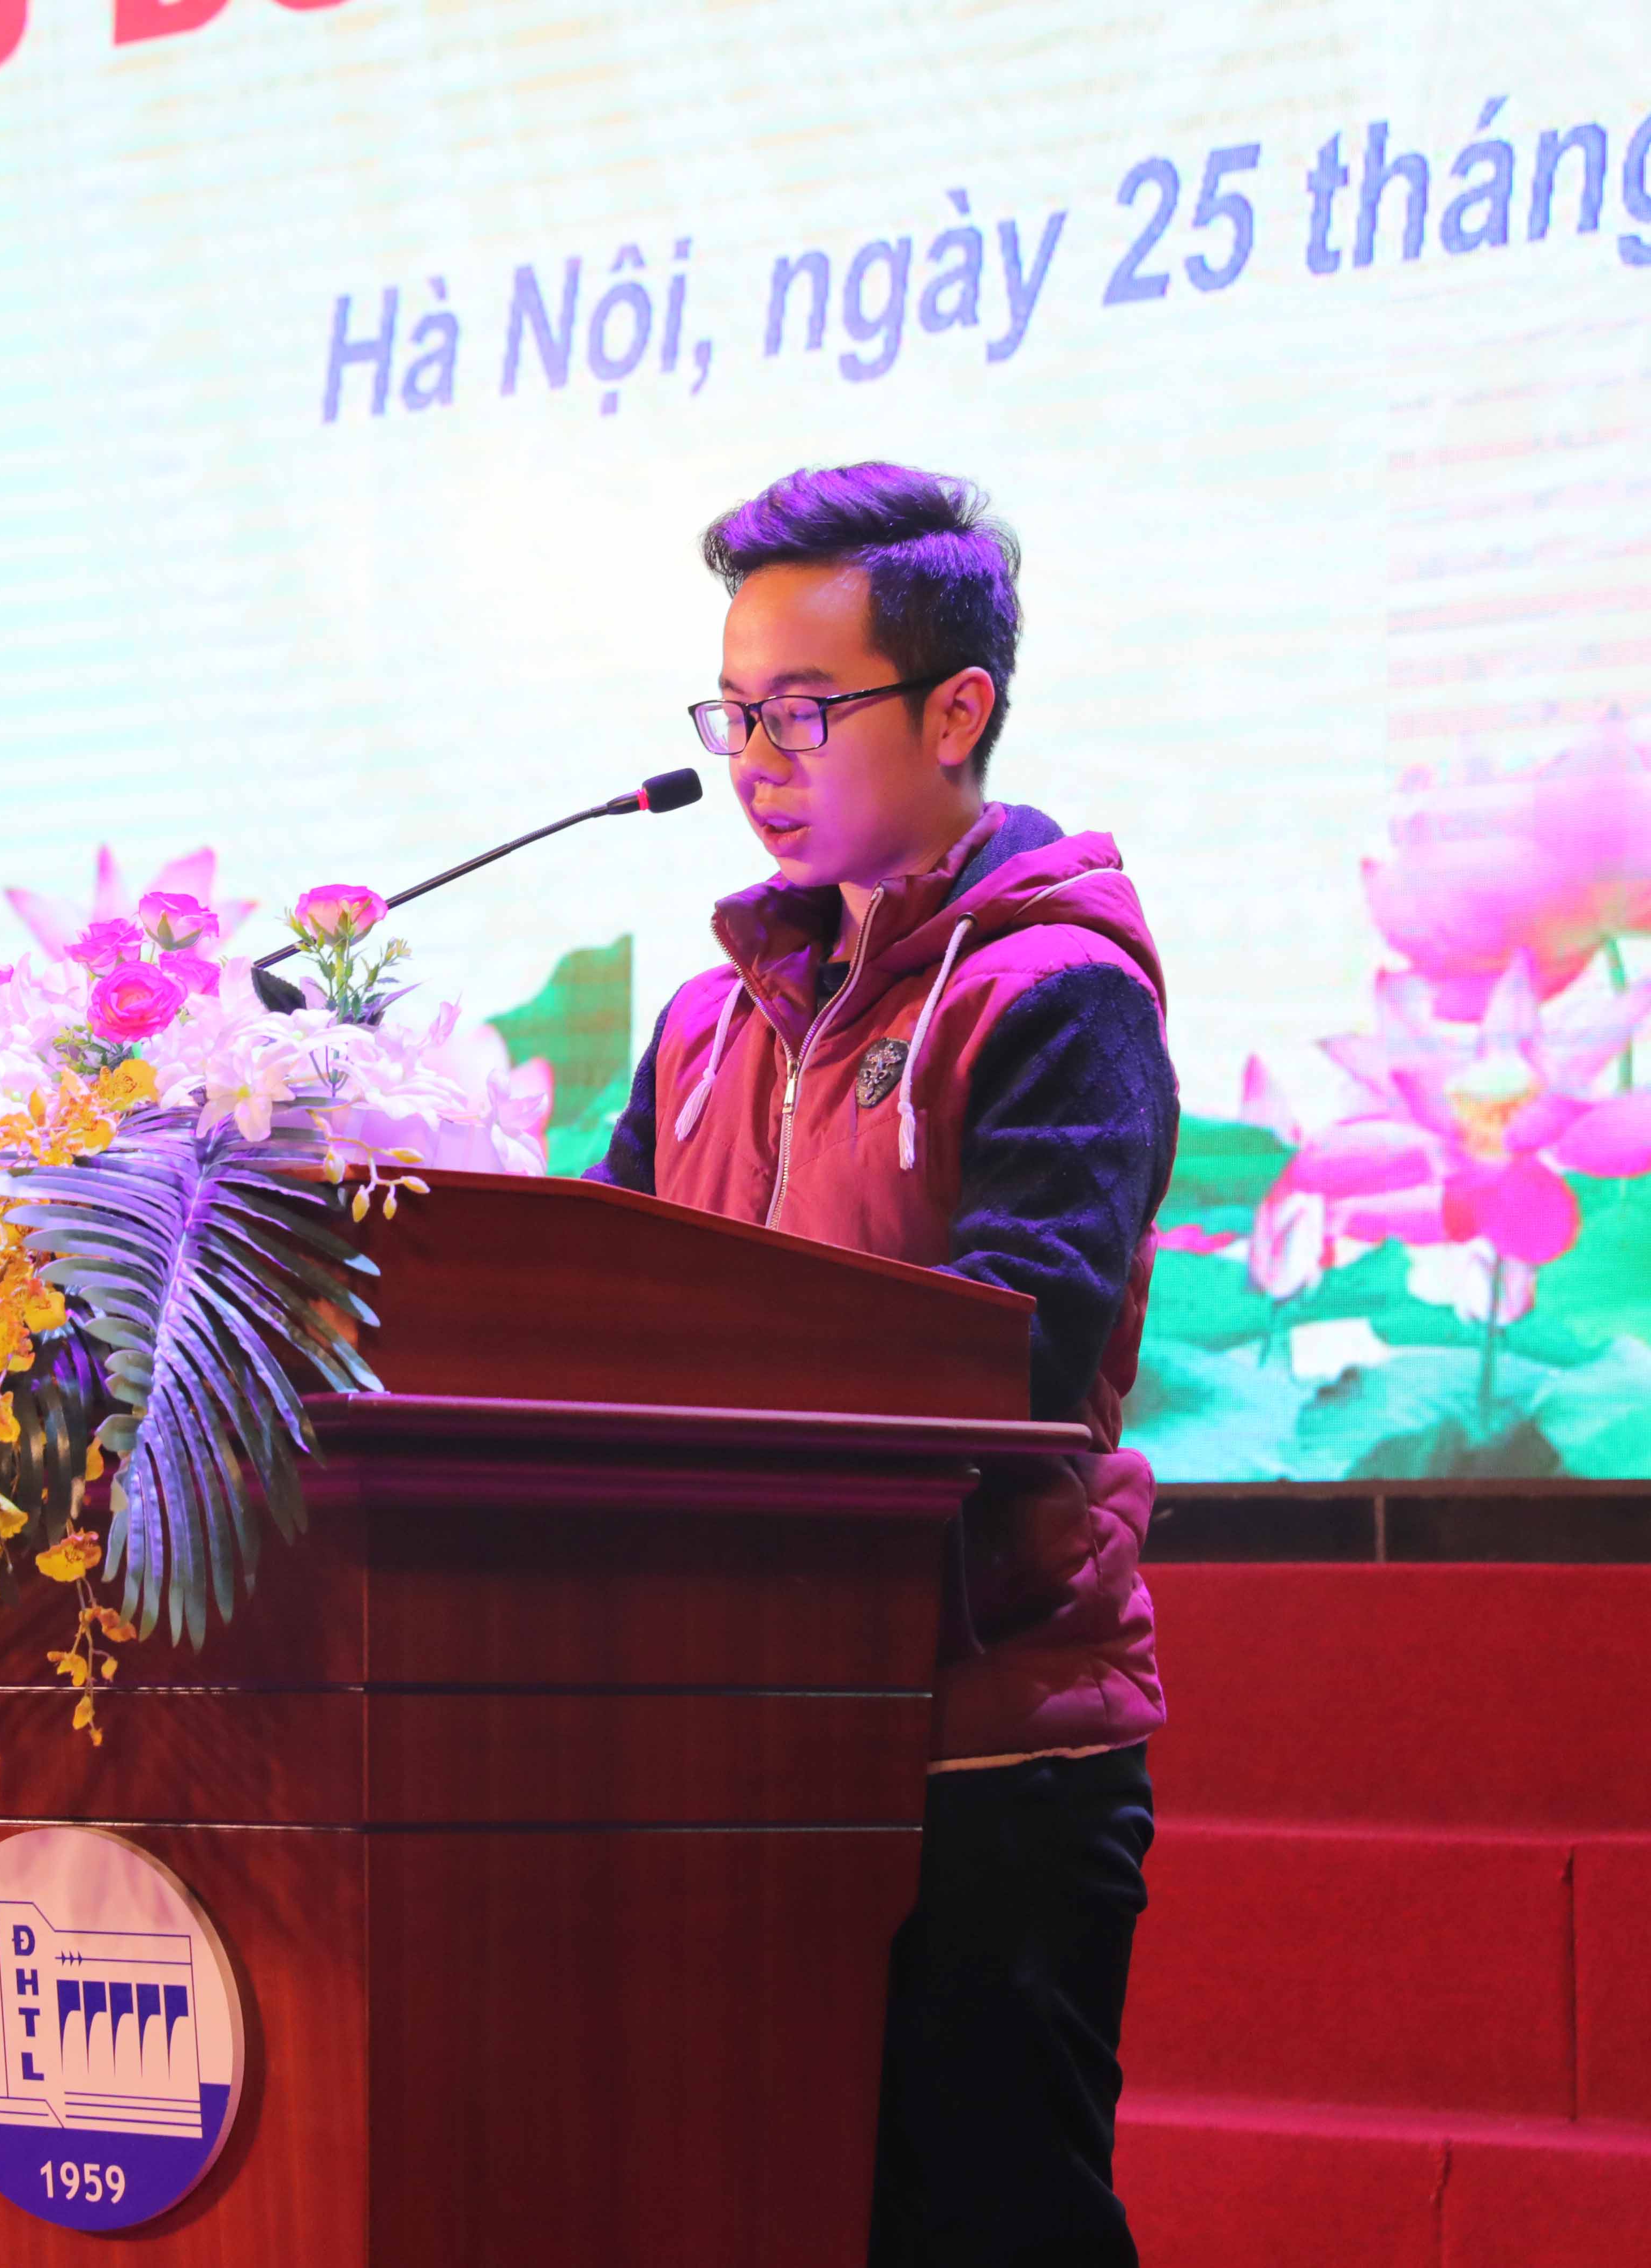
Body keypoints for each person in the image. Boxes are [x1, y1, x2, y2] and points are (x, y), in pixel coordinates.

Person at [589, 462, 1178, 2266]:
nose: (757, 761)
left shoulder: (1057, 991)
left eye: (803, 712)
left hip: (982, 1742)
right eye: (732, 714)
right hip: (733, 1725)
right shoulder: (705, 1025)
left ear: (958, 709)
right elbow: (576, 1306)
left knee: (987, 2229)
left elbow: (1018, 1349)